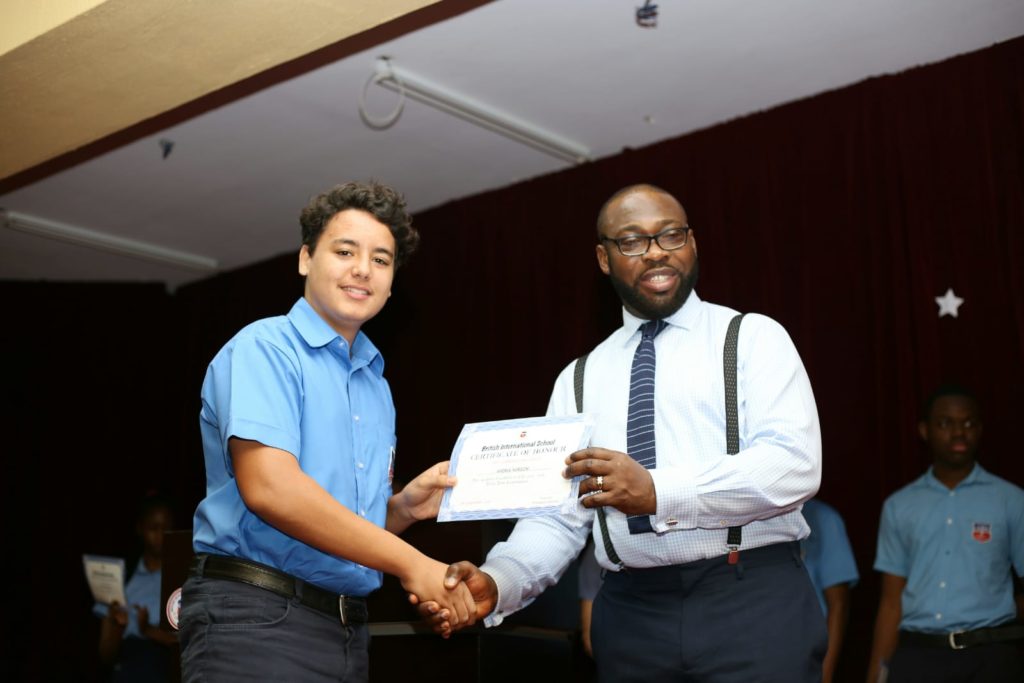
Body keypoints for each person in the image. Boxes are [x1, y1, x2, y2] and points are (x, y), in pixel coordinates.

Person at [417, 183, 827, 682]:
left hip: (751, 599)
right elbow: (558, 518)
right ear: (604, 258)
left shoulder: (752, 338)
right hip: (632, 616)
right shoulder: (578, 379)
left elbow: (793, 465)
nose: (655, 252)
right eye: (632, 241)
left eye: (671, 235)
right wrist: (500, 581)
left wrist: (658, 491)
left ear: (692, 243)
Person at [177, 181, 475, 683]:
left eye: (381, 260)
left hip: (346, 631)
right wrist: (413, 564)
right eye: (345, 251)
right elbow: (271, 490)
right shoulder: (265, 348)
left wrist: (401, 510)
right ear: (305, 259)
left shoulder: (376, 385)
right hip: (257, 618)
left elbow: (334, 530)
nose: (363, 269)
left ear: (392, 282)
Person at [866, 384, 1024, 683]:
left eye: (969, 423)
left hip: (992, 655)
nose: (959, 432)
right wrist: (877, 674)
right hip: (919, 655)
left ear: (980, 429)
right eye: (945, 423)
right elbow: (890, 602)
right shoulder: (899, 505)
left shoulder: (1011, 500)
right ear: (924, 430)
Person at [93, 492, 178, 682]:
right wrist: (117, 626)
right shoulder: (120, 579)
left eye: (166, 528)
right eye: (153, 528)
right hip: (126, 669)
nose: (160, 535)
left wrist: (148, 630)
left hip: (166, 669)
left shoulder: (182, 578)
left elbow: (190, 643)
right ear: (140, 529)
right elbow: (105, 656)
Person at [801, 497, 859, 683]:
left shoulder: (824, 518)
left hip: (808, 654)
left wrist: (825, 675)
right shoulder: (749, 516)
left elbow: (839, 606)